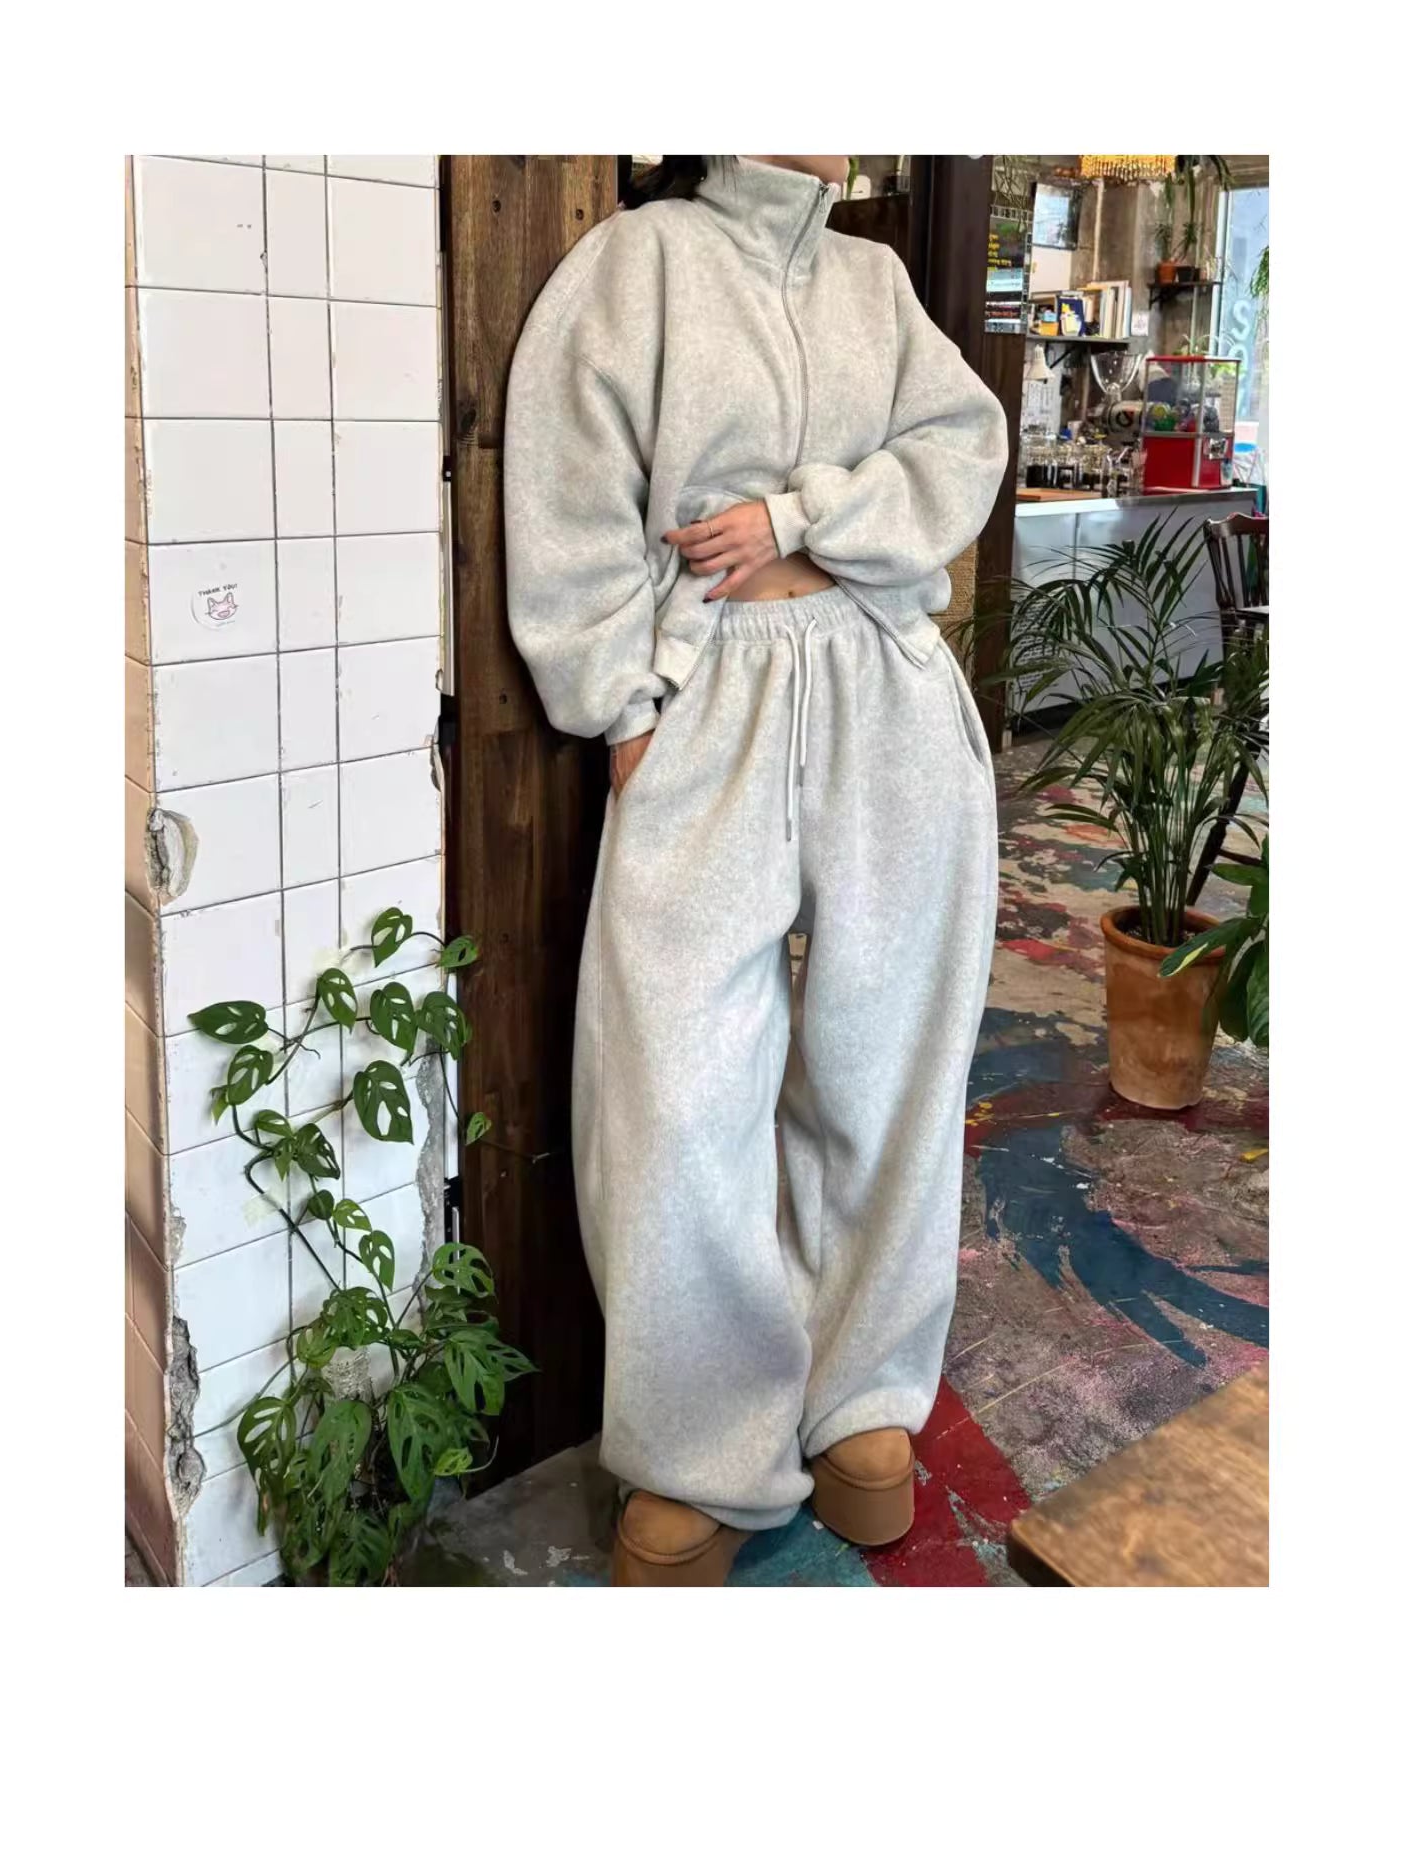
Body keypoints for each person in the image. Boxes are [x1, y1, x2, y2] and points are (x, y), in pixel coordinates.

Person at [504, 155, 1008, 1585]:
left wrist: (806, 515)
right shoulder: (640, 263)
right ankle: (699, 1440)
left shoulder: (874, 280)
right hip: (708, 689)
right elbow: (568, 493)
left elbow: (962, 449)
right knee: (674, 1082)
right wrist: (623, 708)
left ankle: (863, 1398)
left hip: (885, 683)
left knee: (891, 1052)